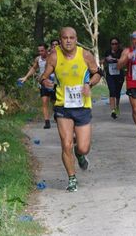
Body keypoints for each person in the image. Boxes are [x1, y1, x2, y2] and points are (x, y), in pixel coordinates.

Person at [40, 27, 102, 192]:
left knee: (83, 147)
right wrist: (45, 81)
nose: (68, 40)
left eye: (72, 38)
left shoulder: (85, 55)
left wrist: (89, 84)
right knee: (66, 144)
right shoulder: (54, 56)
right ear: (60, 40)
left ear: (76, 39)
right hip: (62, 106)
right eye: (65, 38)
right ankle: (72, 178)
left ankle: (80, 154)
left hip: (82, 106)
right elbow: (44, 77)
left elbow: (97, 73)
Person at [19, 43, 55, 129]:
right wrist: (26, 77)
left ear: (46, 50)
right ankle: (47, 122)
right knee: (44, 101)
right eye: (39, 51)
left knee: (54, 102)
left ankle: (56, 114)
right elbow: (33, 68)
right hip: (42, 83)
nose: (40, 52)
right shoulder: (38, 59)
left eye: (42, 50)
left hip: (53, 82)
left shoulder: (52, 58)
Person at [101, 37, 124, 119]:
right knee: (112, 91)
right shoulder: (107, 51)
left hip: (119, 74)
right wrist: (104, 61)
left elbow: (123, 61)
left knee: (117, 92)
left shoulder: (122, 52)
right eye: (112, 44)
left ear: (118, 44)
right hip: (110, 74)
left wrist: (114, 59)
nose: (114, 45)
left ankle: (117, 106)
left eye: (116, 44)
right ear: (110, 45)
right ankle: (113, 111)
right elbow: (103, 61)